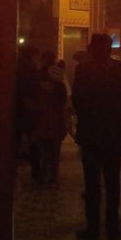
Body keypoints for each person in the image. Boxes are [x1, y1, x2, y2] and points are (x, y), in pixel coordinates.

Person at [71, 33, 121, 240]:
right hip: (113, 132)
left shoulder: (84, 71)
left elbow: (78, 100)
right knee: (112, 182)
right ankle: (112, 228)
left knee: (92, 183)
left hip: (91, 132)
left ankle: (94, 228)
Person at [34, 51, 69, 185]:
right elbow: (63, 99)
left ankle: (43, 174)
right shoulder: (59, 84)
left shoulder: (39, 79)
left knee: (43, 149)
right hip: (55, 118)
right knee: (54, 150)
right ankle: (52, 175)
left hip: (43, 118)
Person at [15, 45, 41, 181]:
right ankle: (36, 173)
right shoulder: (29, 70)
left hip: (20, 111)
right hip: (28, 111)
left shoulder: (18, 68)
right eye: (37, 56)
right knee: (34, 142)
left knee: (18, 140)